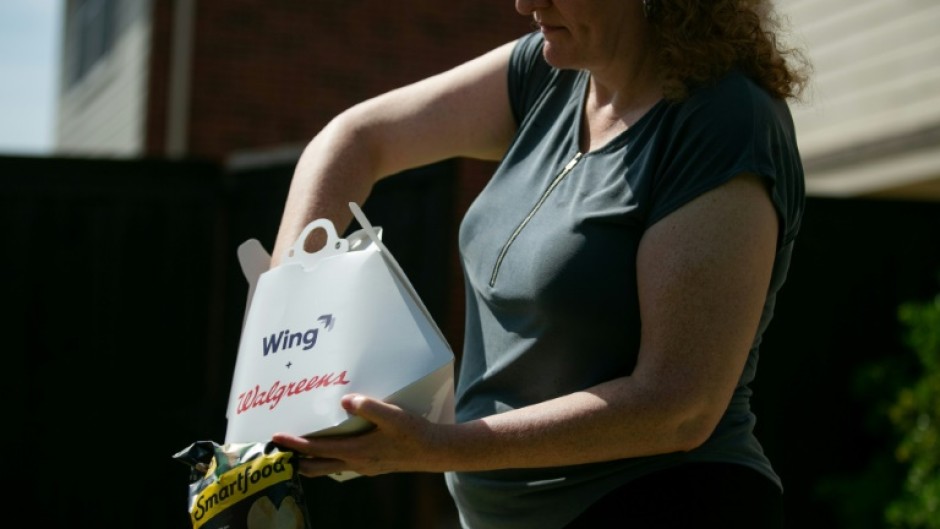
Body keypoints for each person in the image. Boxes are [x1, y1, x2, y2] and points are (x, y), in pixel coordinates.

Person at [270, 1, 811, 527]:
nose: (525, 3)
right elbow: (356, 139)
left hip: (668, 504)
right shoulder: (549, 73)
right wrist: (279, 320)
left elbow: (678, 408)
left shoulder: (725, 121)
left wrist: (437, 447)